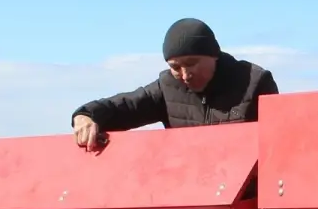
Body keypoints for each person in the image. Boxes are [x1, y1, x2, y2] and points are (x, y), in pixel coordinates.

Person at [70, 18, 278, 149]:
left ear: (213, 55)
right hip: (190, 192)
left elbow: (278, 144)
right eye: (175, 67)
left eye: (192, 64)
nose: (185, 75)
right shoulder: (167, 87)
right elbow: (125, 106)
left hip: (246, 199)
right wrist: (86, 115)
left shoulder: (254, 82)